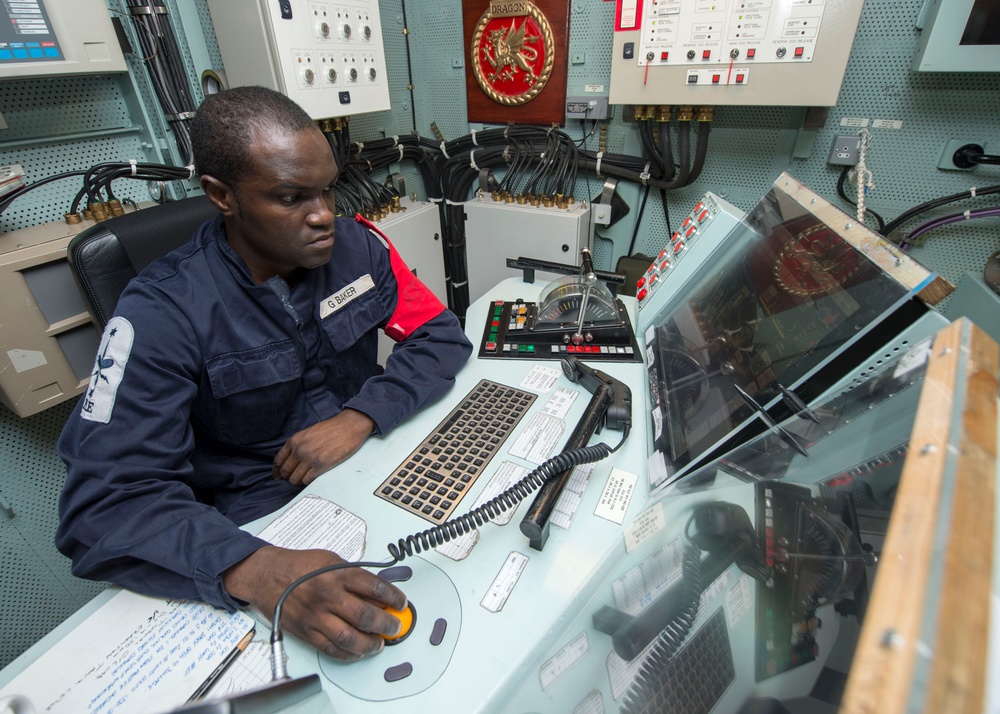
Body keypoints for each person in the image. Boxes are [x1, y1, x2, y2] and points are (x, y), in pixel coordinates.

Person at [56, 86, 473, 661]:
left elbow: (439, 334)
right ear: (222, 196)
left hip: (368, 463)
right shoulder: (159, 313)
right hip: (260, 521)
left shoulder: (358, 248)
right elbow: (102, 508)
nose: (323, 214)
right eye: (290, 196)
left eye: (327, 188)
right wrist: (256, 569)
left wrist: (360, 416)